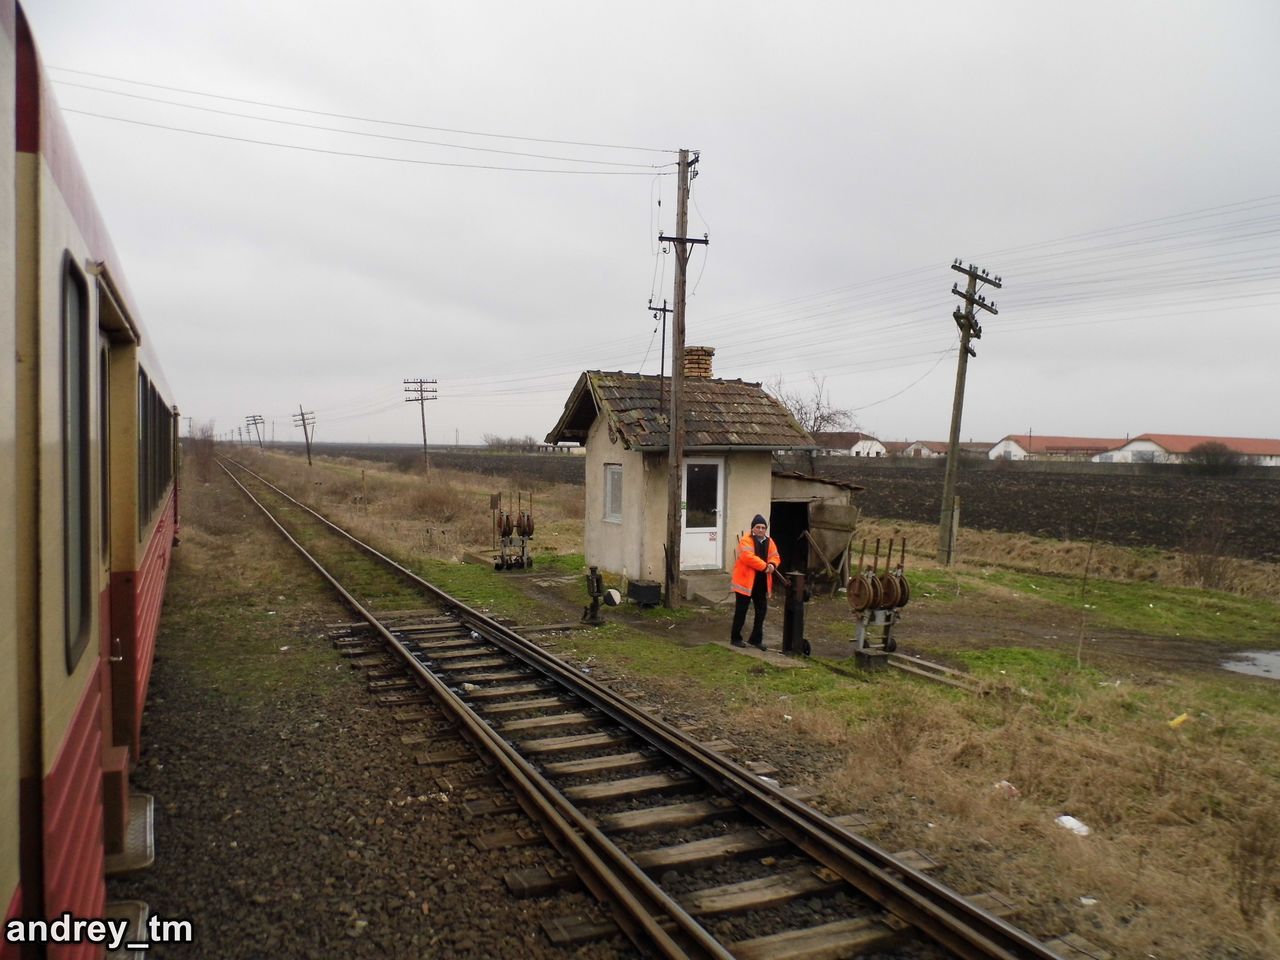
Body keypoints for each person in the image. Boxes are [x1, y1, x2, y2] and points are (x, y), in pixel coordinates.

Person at [730, 514, 781, 649]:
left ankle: (756, 639)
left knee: (761, 612)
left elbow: (775, 556)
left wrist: (772, 564)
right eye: (758, 527)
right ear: (753, 528)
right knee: (741, 611)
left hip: (761, 583)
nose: (760, 530)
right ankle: (735, 638)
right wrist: (765, 566)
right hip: (745, 583)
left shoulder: (770, 542)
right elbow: (748, 557)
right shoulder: (745, 540)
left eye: (763, 527)